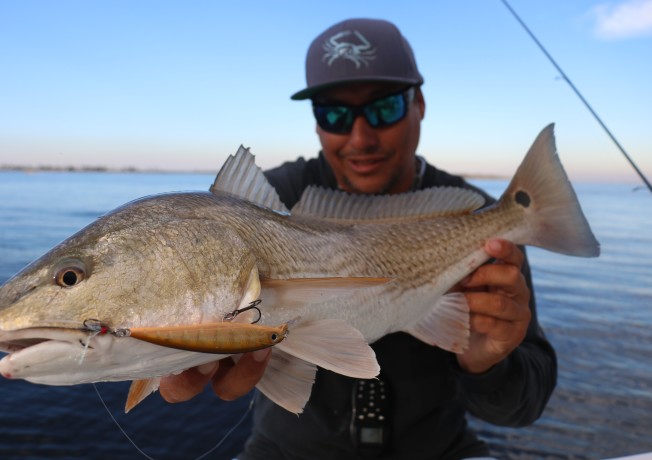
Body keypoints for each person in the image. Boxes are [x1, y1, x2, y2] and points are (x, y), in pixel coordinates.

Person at [160, 18, 557, 459]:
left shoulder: (482, 219)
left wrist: (488, 363)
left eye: (384, 108)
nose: (360, 137)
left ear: (419, 103)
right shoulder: (264, 206)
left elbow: (526, 405)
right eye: (334, 113)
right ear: (315, 122)